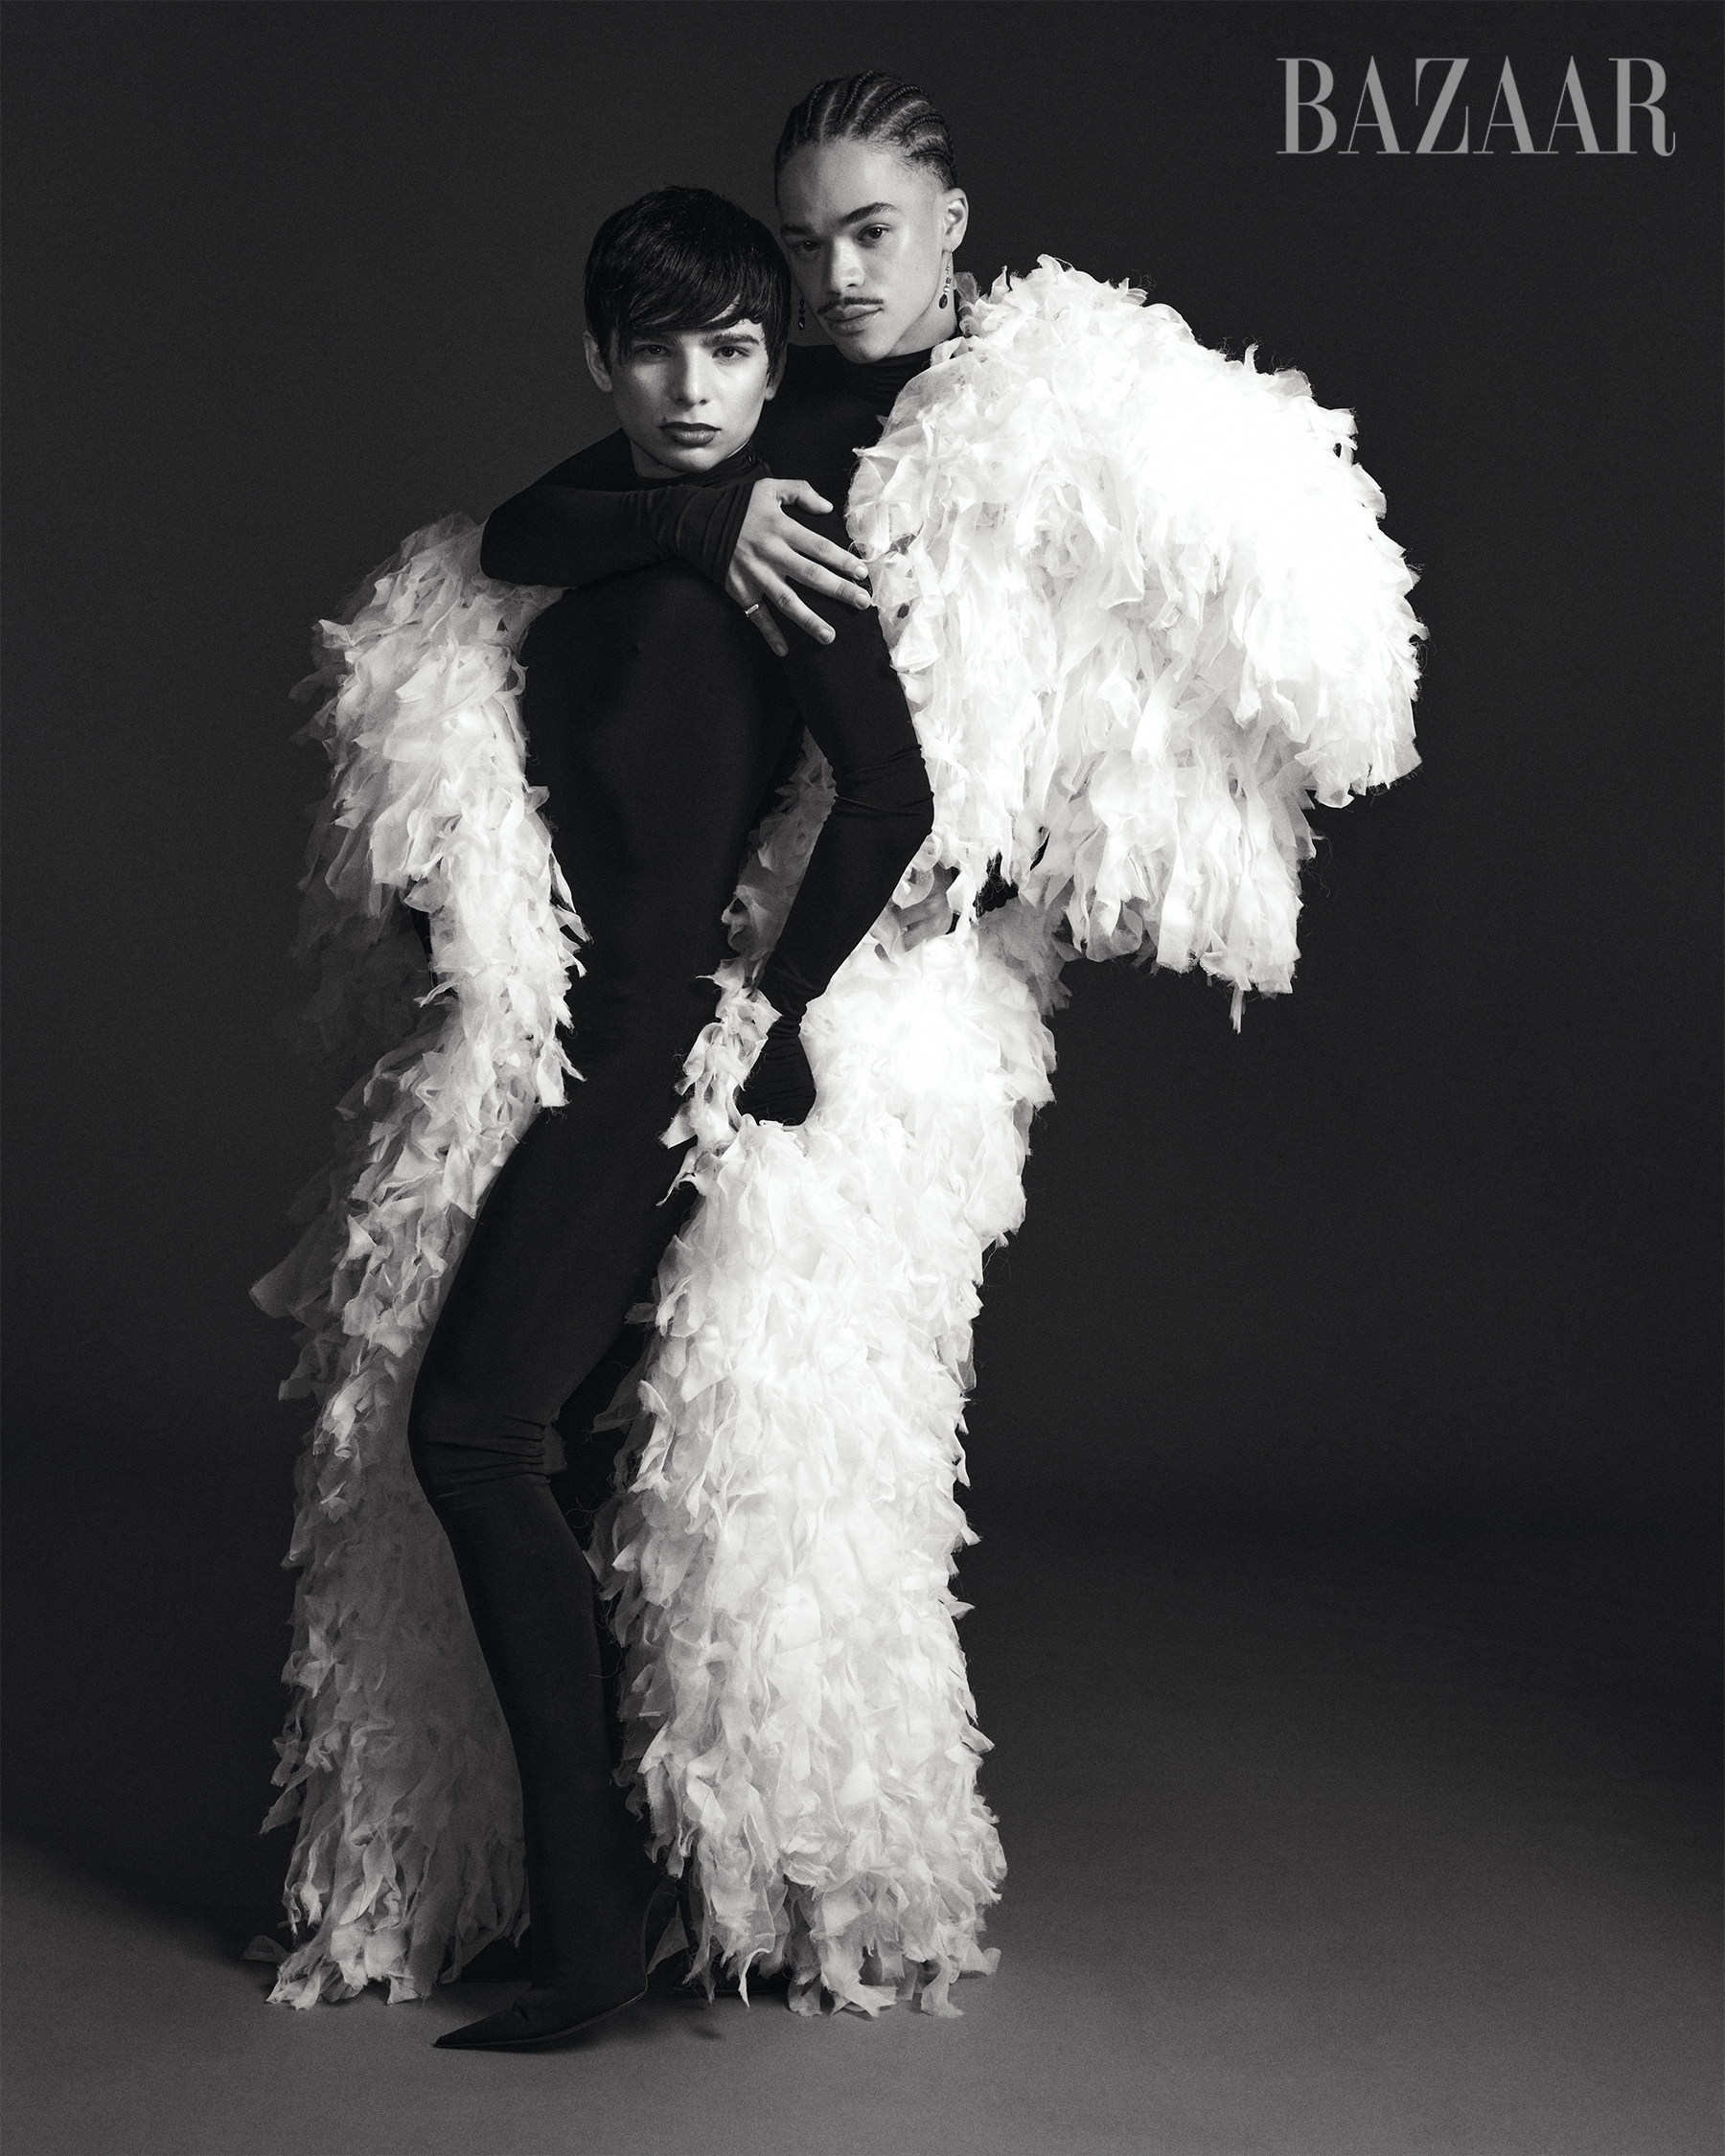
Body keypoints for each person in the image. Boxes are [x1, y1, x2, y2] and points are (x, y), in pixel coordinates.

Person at [259, 70, 1421, 2030]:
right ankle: (604, 1882)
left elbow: (948, 754)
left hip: (835, 1001)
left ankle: (754, 1884)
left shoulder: (1042, 414)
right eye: (797, 248)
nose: (829, 279)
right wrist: (704, 512)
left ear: (956, 217)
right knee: (597, 1412)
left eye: (867, 234)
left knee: (776, 1440)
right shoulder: (761, 411)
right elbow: (545, 522)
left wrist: (813, 976)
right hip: (682, 970)